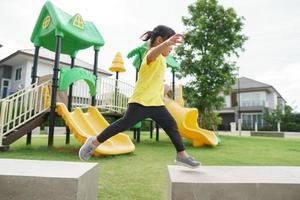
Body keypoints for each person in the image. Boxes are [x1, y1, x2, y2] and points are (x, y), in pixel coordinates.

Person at [79, 25, 200, 168]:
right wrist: (166, 44)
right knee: (123, 124)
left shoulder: (163, 60)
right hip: (141, 102)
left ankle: (182, 155)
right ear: (160, 40)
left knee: (171, 126)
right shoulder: (150, 56)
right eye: (170, 45)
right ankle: (94, 143)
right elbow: (152, 53)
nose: (171, 48)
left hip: (156, 104)